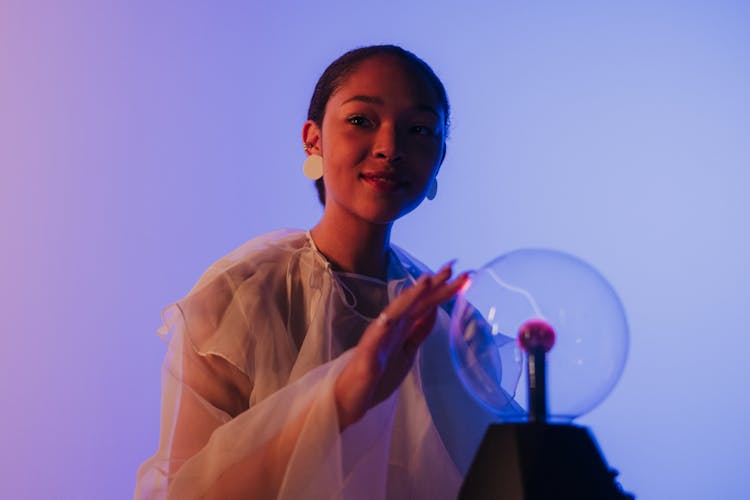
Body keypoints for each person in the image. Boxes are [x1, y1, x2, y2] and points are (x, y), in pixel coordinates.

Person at [135, 44, 496, 500]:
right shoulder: (238, 304)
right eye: (361, 120)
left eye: (420, 130)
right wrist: (338, 402)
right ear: (313, 139)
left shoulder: (453, 325)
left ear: (440, 157)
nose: (390, 148)